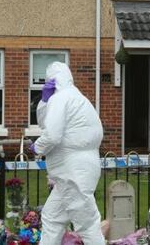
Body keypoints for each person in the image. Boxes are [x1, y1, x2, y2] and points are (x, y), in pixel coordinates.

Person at [30, 61, 105, 245]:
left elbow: (52, 134)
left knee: (87, 225)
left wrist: (37, 147)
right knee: (51, 217)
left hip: (72, 171)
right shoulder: (77, 98)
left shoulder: (61, 98)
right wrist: (44, 101)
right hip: (76, 170)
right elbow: (46, 122)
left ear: (51, 81)